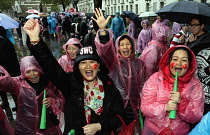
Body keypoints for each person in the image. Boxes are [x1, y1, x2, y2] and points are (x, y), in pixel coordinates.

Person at [23, 18, 126, 135]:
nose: (87, 66)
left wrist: (99, 126)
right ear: (78, 67)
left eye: (91, 62)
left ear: (97, 66)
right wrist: (36, 41)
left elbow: (119, 117)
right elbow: (51, 67)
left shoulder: (109, 87)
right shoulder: (71, 83)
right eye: (83, 63)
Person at [92, 8, 146, 133]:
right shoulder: (114, 63)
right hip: (118, 107)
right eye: (121, 45)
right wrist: (102, 31)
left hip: (136, 107)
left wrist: (143, 104)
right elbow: (106, 51)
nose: (125, 47)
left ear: (132, 46)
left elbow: (144, 84)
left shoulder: (140, 64)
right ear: (118, 47)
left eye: (128, 44)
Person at [141, 45, 204, 135]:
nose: (178, 63)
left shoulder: (195, 85)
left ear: (190, 64)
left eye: (184, 60)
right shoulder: (156, 79)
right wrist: (165, 107)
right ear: (169, 61)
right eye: (175, 59)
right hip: (153, 131)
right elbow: (145, 108)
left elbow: (197, 116)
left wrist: (182, 104)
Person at [0, 56, 64, 135]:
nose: (32, 74)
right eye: (28, 72)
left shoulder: (48, 84)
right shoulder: (19, 84)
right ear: (23, 72)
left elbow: (60, 98)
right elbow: (6, 83)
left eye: (35, 70)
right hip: (26, 128)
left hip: (48, 128)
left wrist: (52, 102)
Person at [187, 16, 210, 115]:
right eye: (191, 25)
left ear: (202, 26)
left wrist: (191, 44)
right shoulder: (195, 39)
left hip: (205, 79)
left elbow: (190, 50)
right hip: (195, 79)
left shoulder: (206, 39)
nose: (192, 28)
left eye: (195, 25)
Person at [0, 26, 20, 120]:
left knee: (11, 86)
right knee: (1, 88)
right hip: (4, 70)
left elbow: (4, 58)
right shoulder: (5, 41)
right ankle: (5, 101)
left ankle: (17, 103)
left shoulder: (5, 43)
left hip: (9, 70)